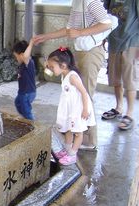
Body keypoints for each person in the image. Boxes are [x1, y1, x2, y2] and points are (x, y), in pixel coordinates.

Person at [33, 0, 112, 150]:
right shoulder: (77, 3)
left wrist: (80, 33)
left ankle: (88, 139)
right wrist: (46, 37)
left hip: (92, 51)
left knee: (85, 93)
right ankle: (77, 133)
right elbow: (70, 29)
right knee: (78, 94)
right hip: (82, 49)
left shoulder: (89, 1)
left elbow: (107, 23)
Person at [47, 47, 96, 165]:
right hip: (70, 109)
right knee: (68, 129)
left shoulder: (72, 76)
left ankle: (73, 154)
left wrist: (85, 109)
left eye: (52, 67)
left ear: (63, 66)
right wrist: (49, 64)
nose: (51, 69)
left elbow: (84, 92)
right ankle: (67, 150)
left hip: (78, 109)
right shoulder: (65, 74)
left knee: (78, 132)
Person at [101, 0, 139, 130]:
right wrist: (103, 35)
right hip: (114, 40)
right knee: (115, 77)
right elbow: (104, 13)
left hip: (132, 40)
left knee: (130, 78)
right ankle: (119, 107)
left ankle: (130, 113)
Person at [12, 39, 36, 120]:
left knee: (26, 110)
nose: (16, 59)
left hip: (27, 93)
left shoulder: (28, 63)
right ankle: (25, 118)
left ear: (22, 55)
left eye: (16, 56)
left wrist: (31, 43)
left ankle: (32, 123)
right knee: (18, 103)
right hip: (23, 92)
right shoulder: (23, 64)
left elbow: (26, 56)